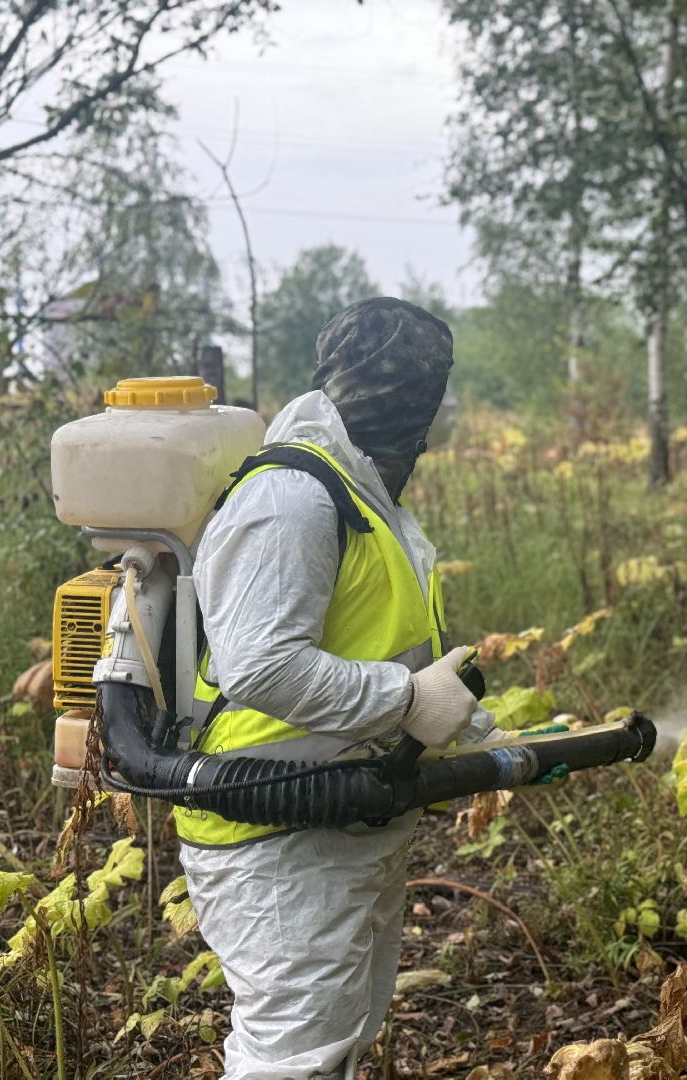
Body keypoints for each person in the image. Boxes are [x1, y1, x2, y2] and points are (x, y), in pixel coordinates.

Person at [174, 298, 495, 1080]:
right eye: (414, 389)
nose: (425, 412)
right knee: (292, 1061)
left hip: (348, 817)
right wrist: (406, 701)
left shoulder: (360, 496)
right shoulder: (292, 499)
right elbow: (263, 666)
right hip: (277, 836)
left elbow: (384, 648)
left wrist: (479, 730)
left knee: (336, 1045)